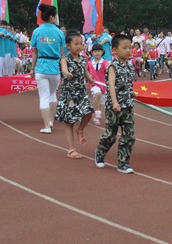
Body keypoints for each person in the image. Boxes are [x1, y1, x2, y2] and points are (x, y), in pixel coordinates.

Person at [94, 35, 136, 174]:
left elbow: (130, 85)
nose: (128, 50)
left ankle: (123, 163)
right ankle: (100, 152)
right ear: (115, 50)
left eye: (130, 47)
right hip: (115, 107)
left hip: (128, 106)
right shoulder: (113, 66)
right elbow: (111, 85)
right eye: (124, 48)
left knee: (129, 135)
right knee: (110, 135)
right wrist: (115, 102)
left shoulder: (130, 66)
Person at [55, 31, 95, 159]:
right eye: (76, 44)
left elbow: (84, 71)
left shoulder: (83, 58)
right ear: (68, 46)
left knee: (89, 111)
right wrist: (67, 74)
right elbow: (64, 69)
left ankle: (80, 129)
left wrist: (90, 78)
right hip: (69, 94)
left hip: (81, 92)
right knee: (69, 121)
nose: (79, 46)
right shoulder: (64, 59)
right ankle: (71, 149)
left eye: (81, 44)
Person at [29, 4, 65, 133]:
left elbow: (34, 52)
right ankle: (50, 121)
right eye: (55, 16)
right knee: (52, 94)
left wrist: (32, 69)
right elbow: (62, 54)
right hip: (54, 67)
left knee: (43, 97)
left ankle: (46, 126)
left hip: (41, 67)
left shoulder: (37, 31)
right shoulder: (59, 32)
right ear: (51, 17)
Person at [87, 43, 110, 126]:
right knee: (97, 94)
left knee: (100, 101)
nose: (97, 53)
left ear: (102, 52)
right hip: (93, 84)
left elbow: (108, 68)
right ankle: (97, 115)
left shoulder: (105, 62)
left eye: (99, 51)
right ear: (92, 53)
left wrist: (108, 69)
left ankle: (97, 116)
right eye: (95, 51)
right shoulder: (89, 63)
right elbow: (86, 72)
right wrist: (88, 79)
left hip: (103, 85)